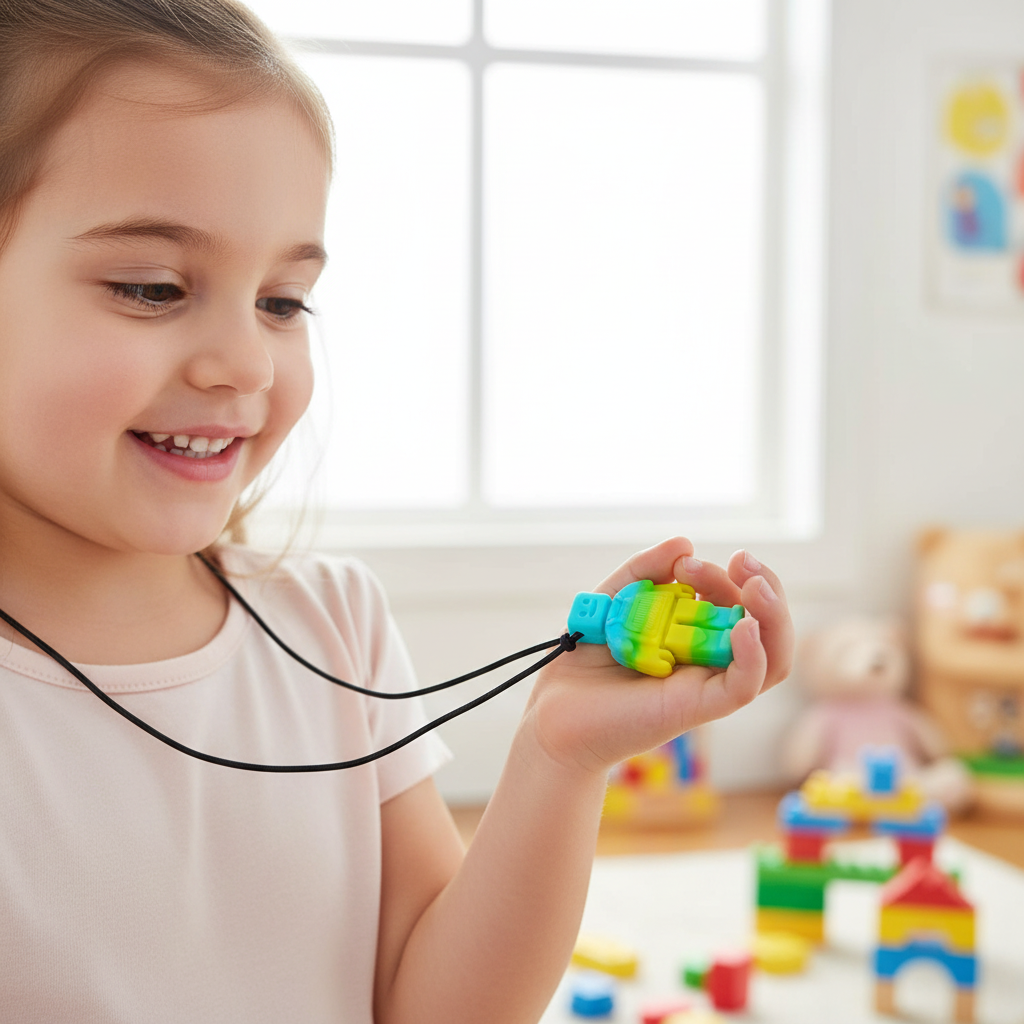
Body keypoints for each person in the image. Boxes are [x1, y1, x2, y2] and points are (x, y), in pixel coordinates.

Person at [0, 2, 795, 1022]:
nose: (246, 358)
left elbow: (437, 1004)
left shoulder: (332, 626)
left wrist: (558, 757)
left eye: (282, 302)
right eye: (153, 288)